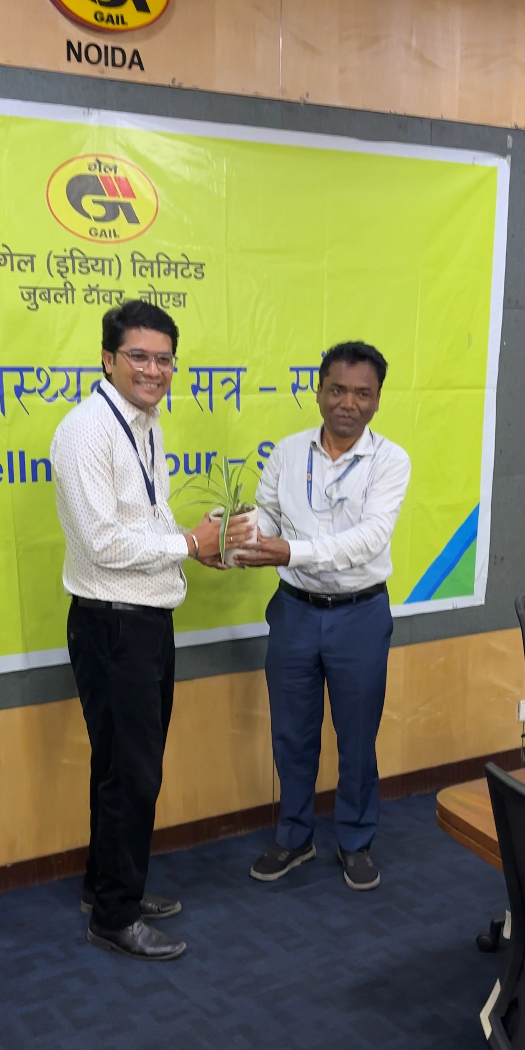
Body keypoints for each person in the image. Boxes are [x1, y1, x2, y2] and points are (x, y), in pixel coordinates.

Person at [50, 300, 249, 961]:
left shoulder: (146, 424)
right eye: (138, 356)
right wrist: (186, 545)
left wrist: (196, 546)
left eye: (164, 359)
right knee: (132, 774)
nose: (153, 370)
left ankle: (105, 887)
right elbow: (102, 542)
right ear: (107, 359)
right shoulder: (87, 431)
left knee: (119, 767)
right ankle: (116, 916)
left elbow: (147, 519)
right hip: (113, 624)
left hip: (145, 620)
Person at [235, 341, 411, 891]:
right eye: (337, 389)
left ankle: (355, 841)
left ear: (377, 400)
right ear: (318, 391)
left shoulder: (391, 461)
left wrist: (290, 551)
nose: (348, 403)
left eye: (362, 393)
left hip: (359, 615)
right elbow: (268, 515)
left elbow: (369, 540)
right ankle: (294, 837)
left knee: (357, 737)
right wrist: (238, 529)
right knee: (292, 734)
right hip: (294, 611)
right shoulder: (288, 453)